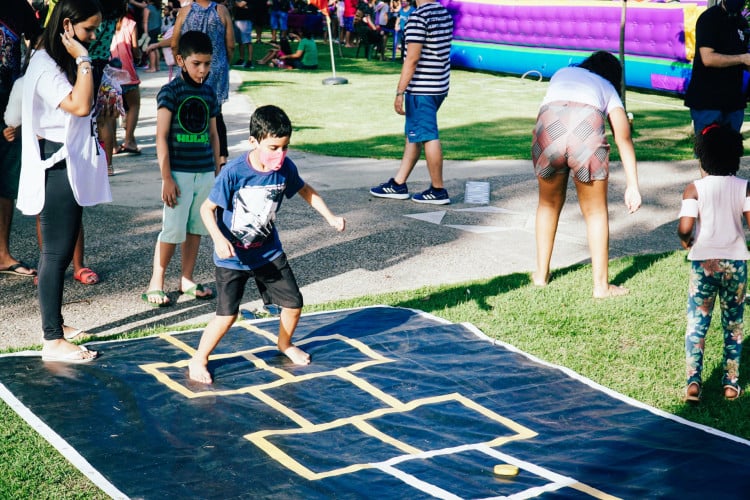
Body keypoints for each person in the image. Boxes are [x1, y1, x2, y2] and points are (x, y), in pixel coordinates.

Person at [188, 105, 346, 383]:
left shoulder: (285, 168)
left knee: (294, 304)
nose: (279, 154)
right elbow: (206, 209)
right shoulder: (234, 172)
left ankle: (284, 344)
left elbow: (306, 191)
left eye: (284, 147)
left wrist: (330, 217)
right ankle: (198, 359)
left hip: (268, 252)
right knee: (226, 316)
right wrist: (218, 238)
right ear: (253, 141)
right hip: (232, 258)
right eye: (273, 147)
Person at [18, 0, 111, 362]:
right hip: (54, 165)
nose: (93, 37)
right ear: (68, 27)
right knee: (56, 254)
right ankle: (52, 340)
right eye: (88, 30)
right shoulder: (45, 65)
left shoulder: (53, 58)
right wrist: (84, 59)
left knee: (60, 247)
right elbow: (80, 105)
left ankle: (55, 323)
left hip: (67, 160)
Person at [530, 51, 642, 298]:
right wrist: (632, 185)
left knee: (547, 205)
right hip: (586, 130)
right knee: (595, 213)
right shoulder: (608, 88)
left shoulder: (562, 73)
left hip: (549, 128)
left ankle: (540, 275)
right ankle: (601, 287)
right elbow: (623, 138)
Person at [142, 30, 221, 307]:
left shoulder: (210, 93)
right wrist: (166, 177)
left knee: (196, 227)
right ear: (181, 60)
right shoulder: (171, 91)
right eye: (197, 63)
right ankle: (156, 282)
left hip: (204, 172)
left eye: (207, 64)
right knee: (172, 229)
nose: (203, 70)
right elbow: (160, 136)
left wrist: (216, 170)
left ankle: (186, 279)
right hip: (178, 174)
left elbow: (213, 134)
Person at [678, 123, 750, 403]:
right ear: (736, 156)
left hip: (703, 263)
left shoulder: (693, 189)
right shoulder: (744, 188)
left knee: (697, 323)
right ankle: (730, 384)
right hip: (736, 264)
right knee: (733, 324)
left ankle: (693, 383)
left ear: (701, 157)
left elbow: (686, 227)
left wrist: (687, 241)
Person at [369, 0, 452, 204]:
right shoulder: (444, 14)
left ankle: (438, 189)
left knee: (428, 136)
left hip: (421, 88)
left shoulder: (418, 17)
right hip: (439, 85)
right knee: (413, 134)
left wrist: (400, 92)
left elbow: (412, 59)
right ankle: (398, 183)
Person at [0, 0, 42, 279]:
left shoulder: (16, 6)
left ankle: (2, 254)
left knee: (5, 179)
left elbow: (38, 39)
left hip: (9, 108)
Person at [172, 0, 234, 166]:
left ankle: (189, 152)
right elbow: (230, 45)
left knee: (187, 109)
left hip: (188, 66)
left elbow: (174, 43)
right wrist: (224, 63)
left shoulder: (185, 12)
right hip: (215, 67)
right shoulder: (222, 11)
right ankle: (221, 158)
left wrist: (181, 63)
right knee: (216, 113)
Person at [684, 0, 750, 135]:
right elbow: (708, 59)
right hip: (708, 101)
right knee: (709, 152)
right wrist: (742, 58)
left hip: (734, 102)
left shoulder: (742, 23)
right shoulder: (709, 18)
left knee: (731, 152)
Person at [110, 10, 142, 155]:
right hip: (128, 73)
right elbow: (135, 49)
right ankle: (129, 140)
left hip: (109, 74)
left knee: (111, 111)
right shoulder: (130, 24)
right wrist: (139, 56)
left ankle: (113, 145)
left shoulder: (102, 24)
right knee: (134, 105)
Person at [232, 0, 255, 68]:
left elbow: (240, 5)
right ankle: (241, 59)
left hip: (246, 20)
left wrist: (236, 3)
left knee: (247, 41)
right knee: (240, 41)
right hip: (237, 19)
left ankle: (250, 61)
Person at [143, 0, 162, 72]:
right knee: (156, 48)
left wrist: (145, 33)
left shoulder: (148, 8)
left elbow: (145, 22)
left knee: (151, 48)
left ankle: (152, 67)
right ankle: (157, 66)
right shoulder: (158, 7)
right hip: (157, 29)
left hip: (151, 30)